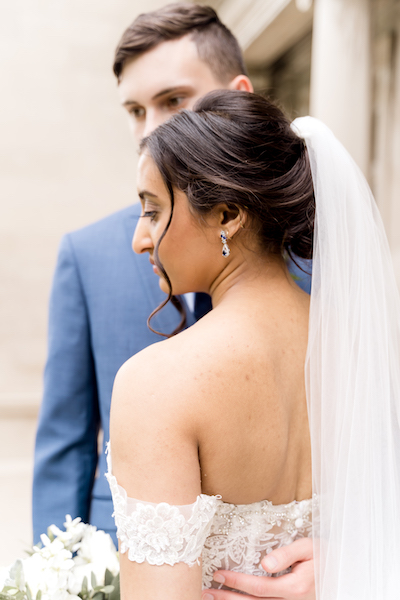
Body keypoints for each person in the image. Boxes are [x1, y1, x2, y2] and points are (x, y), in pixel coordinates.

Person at [32, 4, 313, 598]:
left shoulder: (336, 282)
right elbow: (66, 446)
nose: (146, 129)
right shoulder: (88, 253)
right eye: (134, 110)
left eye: (173, 102)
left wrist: (340, 563)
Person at [107, 89, 400, 600]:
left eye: (153, 211)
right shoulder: (363, 348)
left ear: (227, 215)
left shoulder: (155, 385)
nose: (140, 239)